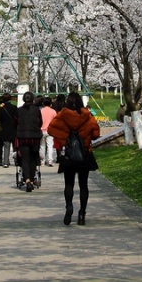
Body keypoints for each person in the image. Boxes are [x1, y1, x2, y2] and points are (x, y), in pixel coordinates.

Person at [47, 91, 101, 225]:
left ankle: (69, 206)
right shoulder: (87, 116)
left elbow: (51, 130)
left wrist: (63, 139)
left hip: (68, 155)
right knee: (84, 185)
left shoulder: (62, 115)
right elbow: (96, 133)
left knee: (68, 183)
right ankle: (82, 213)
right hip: (84, 154)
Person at [15, 91, 44, 191]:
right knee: (33, 159)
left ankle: (27, 180)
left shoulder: (19, 110)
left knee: (25, 159)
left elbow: (15, 123)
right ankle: (31, 180)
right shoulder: (36, 110)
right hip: (35, 136)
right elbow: (40, 122)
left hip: (23, 137)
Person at [0, 93, 18, 168]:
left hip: (5, 129)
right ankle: (16, 161)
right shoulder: (14, 108)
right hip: (14, 129)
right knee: (15, 147)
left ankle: (5, 162)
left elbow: (1, 120)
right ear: (10, 99)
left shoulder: (1, 109)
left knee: (6, 146)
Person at [39, 95, 57, 167]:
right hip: (50, 130)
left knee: (42, 146)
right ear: (51, 104)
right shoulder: (53, 111)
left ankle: (42, 160)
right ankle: (50, 160)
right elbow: (55, 121)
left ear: (43, 104)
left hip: (42, 130)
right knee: (50, 145)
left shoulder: (40, 111)